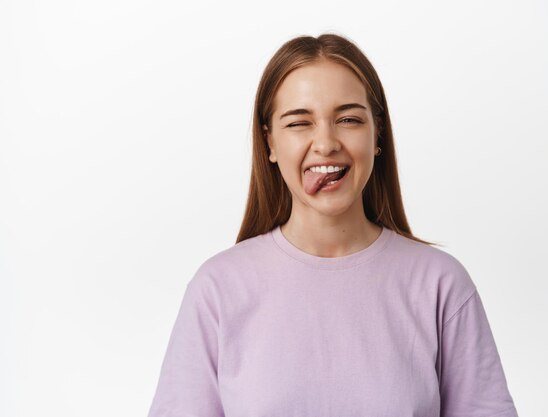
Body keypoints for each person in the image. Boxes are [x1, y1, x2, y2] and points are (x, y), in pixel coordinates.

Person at [147, 33, 519, 417]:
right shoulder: (218, 289)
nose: (325, 143)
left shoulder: (441, 285)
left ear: (377, 134)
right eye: (299, 123)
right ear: (270, 143)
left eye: (348, 119)